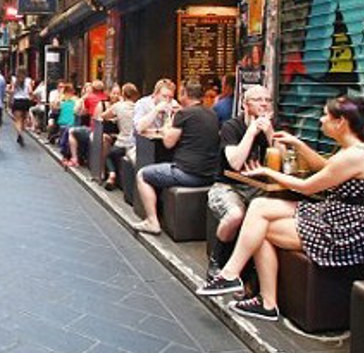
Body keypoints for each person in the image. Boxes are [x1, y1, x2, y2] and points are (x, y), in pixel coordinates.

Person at [198, 96, 364, 322]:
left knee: (259, 227)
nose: (321, 120)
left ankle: (260, 296)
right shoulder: (356, 149)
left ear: (341, 122)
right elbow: (324, 167)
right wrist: (299, 144)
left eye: (325, 116)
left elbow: (306, 186)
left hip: (348, 232)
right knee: (259, 208)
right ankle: (234, 277)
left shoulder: (355, 155)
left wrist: (268, 172)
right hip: (340, 216)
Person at [134, 79, 220, 235]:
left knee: (142, 175)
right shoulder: (212, 113)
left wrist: (170, 122)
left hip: (189, 174)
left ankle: (152, 221)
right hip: (210, 174)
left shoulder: (183, 113)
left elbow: (168, 143)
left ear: (184, 94)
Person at [205, 84, 274, 278]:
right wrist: (252, 131)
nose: (264, 104)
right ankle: (216, 261)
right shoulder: (231, 127)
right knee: (236, 215)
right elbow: (235, 163)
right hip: (228, 186)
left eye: (267, 100)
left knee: (267, 221)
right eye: (258, 100)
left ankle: (253, 275)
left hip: (258, 188)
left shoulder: (273, 126)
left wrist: (269, 132)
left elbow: (284, 161)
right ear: (245, 104)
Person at [102, 83, 141, 190]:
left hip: (122, 142)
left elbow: (104, 116)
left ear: (123, 94)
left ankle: (112, 175)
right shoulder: (139, 107)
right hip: (134, 144)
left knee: (109, 155)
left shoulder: (118, 106)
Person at [65, 80, 109, 167]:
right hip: (105, 129)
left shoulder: (89, 98)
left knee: (72, 131)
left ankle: (75, 158)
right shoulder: (107, 97)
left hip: (94, 129)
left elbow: (82, 112)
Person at [8, 67, 33, 146]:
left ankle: (20, 134)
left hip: (17, 101)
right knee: (24, 119)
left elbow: (12, 91)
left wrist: (10, 100)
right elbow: (30, 91)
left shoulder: (14, 80)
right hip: (26, 101)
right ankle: (21, 132)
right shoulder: (29, 80)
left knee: (17, 120)